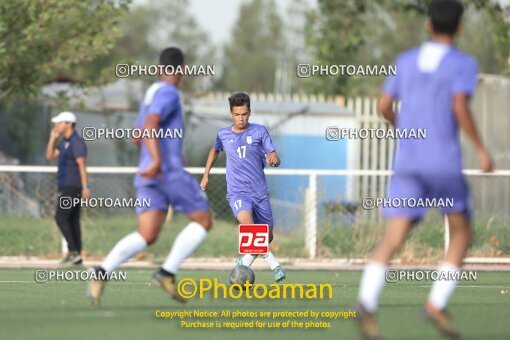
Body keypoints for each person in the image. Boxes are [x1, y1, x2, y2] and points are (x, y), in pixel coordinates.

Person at [355, 1, 494, 339]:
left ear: (428, 26)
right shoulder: (462, 63)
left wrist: (402, 127)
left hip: (407, 161)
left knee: (394, 237)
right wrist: (479, 148)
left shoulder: (406, 61)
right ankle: (435, 302)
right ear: (460, 27)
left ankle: (366, 302)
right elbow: (458, 104)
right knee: (461, 233)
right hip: (441, 160)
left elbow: (384, 105)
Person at [87, 47, 213, 307]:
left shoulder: (151, 92)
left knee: (147, 234)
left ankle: (101, 271)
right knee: (203, 219)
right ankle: (167, 272)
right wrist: (160, 159)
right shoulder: (169, 92)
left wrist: (155, 155)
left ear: (157, 70)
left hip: (147, 172)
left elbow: (137, 136)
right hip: (165, 171)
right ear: (182, 71)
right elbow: (150, 125)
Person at [201, 92, 286, 282]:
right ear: (231, 114)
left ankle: (245, 262)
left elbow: (275, 157)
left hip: (260, 193)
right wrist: (206, 175)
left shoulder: (260, 131)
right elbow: (214, 150)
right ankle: (276, 266)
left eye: (245, 114)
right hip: (238, 193)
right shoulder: (223, 134)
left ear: (250, 112)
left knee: (266, 236)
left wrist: (274, 160)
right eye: (237, 114)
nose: (241, 118)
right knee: (250, 229)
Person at [46, 111, 89, 265]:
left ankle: (73, 252)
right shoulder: (64, 142)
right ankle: (77, 255)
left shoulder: (76, 142)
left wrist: (85, 186)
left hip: (73, 186)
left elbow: (82, 165)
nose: (56, 125)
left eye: (59, 123)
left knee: (61, 217)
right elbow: (49, 155)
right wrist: (52, 138)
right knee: (72, 219)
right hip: (65, 185)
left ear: (68, 124)